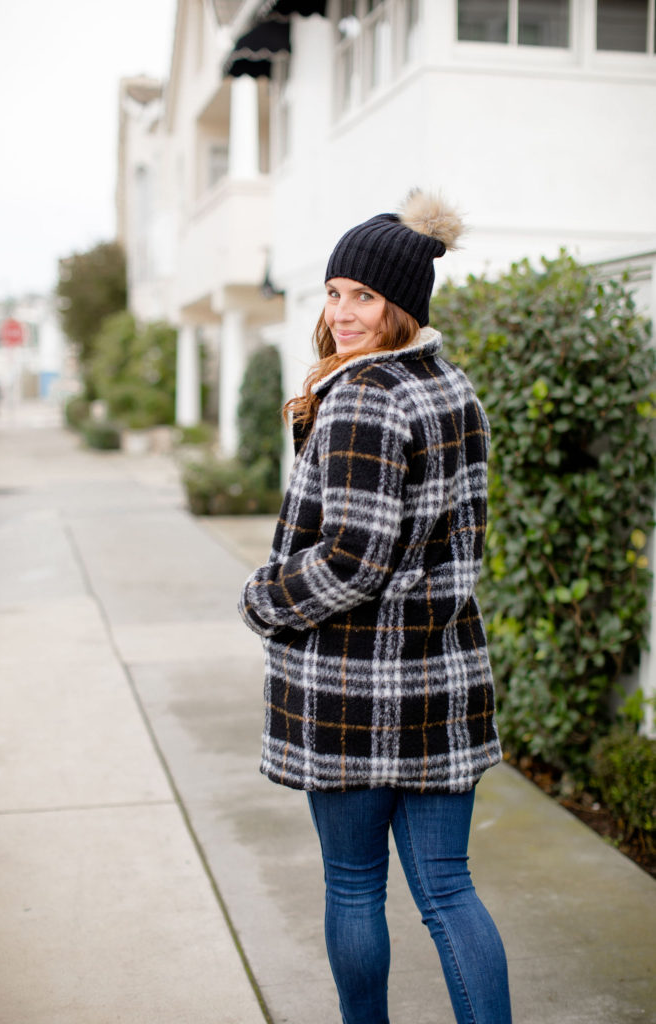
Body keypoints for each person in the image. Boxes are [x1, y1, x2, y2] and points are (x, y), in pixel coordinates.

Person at [238, 190, 512, 1024]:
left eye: (363, 295)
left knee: (354, 887)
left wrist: (263, 598)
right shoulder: (451, 389)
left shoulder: (363, 396)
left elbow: (352, 561)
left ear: (401, 305)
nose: (341, 312)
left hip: (353, 691)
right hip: (441, 682)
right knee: (448, 890)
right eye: (333, 292)